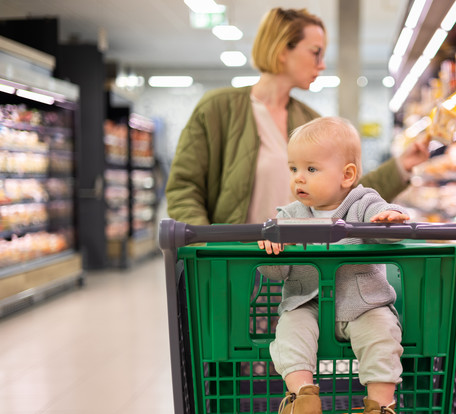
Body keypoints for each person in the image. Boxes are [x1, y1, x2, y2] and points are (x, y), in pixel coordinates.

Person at [165, 7, 430, 227]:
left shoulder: (309, 120)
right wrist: (206, 247)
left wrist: (401, 165)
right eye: (316, 52)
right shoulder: (217, 109)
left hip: (299, 268)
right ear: (282, 50)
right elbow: (184, 188)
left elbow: (346, 191)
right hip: (236, 264)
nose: (322, 64)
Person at [258, 117, 407, 414]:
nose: (299, 178)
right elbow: (275, 274)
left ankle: (380, 405)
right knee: (289, 329)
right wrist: (272, 251)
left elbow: (389, 226)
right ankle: (303, 395)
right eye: (294, 168)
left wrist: (390, 218)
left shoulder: (363, 203)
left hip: (365, 304)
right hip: (306, 302)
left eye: (311, 169)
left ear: (347, 175)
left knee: (382, 335)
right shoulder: (288, 216)